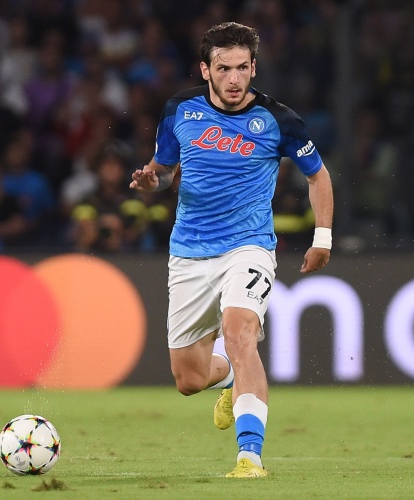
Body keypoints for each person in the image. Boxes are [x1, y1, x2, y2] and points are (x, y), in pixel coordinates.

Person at [130, 22, 333, 478]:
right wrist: (150, 181)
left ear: (254, 67)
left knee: (240, 334)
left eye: (243, 67)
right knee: (189, 380)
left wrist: (322, 238)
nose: (235, 79)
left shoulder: (279, 119)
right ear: (206, 70)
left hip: (248, 247)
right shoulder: (179, 109)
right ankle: (228, 378)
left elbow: (318, 175)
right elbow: (164, 171)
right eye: (224, 69)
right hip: (189, 252)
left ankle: (250, 457)